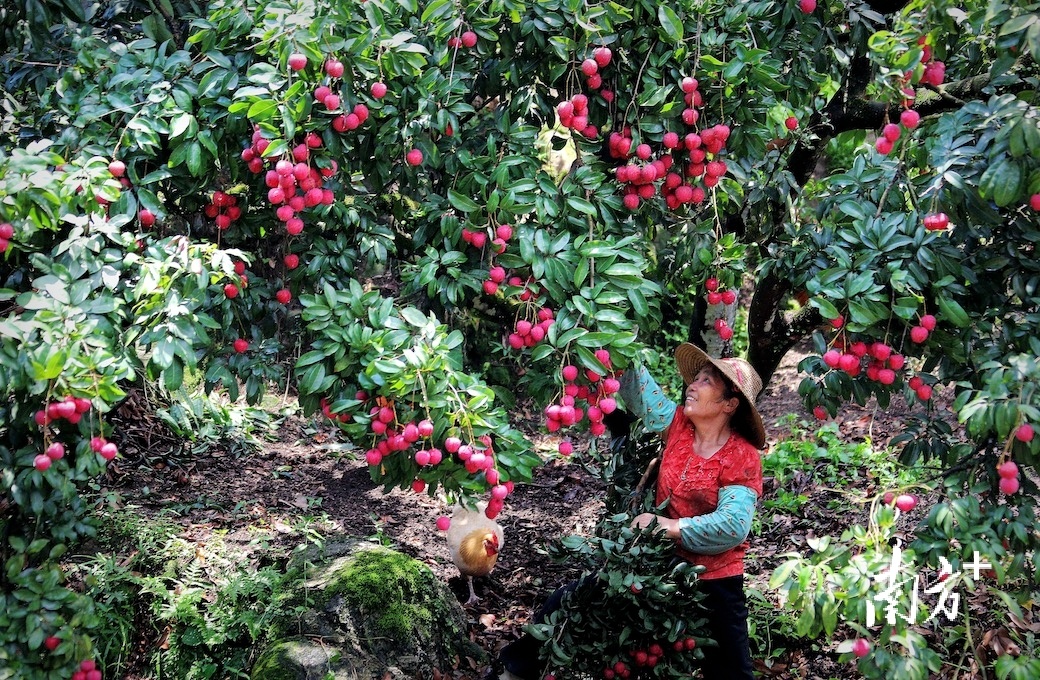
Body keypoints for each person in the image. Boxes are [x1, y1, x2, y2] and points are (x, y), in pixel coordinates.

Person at [490, 342, 765, 680]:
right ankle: (513, 672)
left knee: (730, 670)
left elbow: (732, 526)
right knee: (572, 599)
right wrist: (611, 346)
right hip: (655, 563)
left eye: (706, 381)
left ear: (729, 404)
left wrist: (666, 526)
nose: (692, 385)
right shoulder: (678, 426)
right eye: (696, 378)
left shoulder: (741, 456)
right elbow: (638, 391)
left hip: (714, 579)